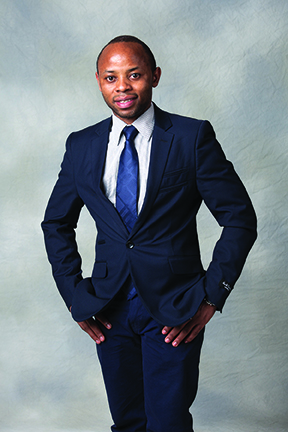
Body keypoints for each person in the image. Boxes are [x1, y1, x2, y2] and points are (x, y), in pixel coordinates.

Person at [42, 35, 257, 432]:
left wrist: (212, 295)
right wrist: (75, 296)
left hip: (175, 309)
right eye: (110, 77)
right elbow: (56, 223)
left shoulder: (192, 138)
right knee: (127, 422)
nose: (121, 86)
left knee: (168, 423)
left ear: (154, 77)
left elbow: (240, 217)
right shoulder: (81, 146)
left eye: (134, 75)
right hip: (108, 308)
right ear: (99, 81)